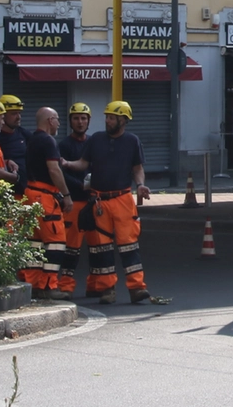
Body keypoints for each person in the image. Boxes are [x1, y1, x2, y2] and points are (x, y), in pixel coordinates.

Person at [60, 101, 151, 305]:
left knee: (129, 246)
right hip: (100, 201)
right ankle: (106, 289)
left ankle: (137, 288)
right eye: (107, 117)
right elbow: (84, 163)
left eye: (111, 117)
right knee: (101, 249)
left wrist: (141, 185)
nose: (107, 121)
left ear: (123, 120)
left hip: (123, 199)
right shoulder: (97, 139)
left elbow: (137, 168)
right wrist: (67, 164)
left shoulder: (132, 141)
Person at [18, 107, 73, 299]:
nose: (59, 124)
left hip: (30, 195)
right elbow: (54, 170)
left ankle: (32, 284)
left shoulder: (32, 140)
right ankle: (50, 286)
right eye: (57, 119)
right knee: (56, 242)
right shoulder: (48, 141)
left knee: (35, 242)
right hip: (44, 197)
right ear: (50, 120)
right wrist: (66, 194)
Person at [55, 102, 93, 296]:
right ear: (70, 121)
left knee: (98, 247)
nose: (80, 122)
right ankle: (66, 286)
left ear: (89, 121)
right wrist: (79, 185)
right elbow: (59, 172)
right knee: (71, 248)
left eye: (83, 118)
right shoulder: (64, 145)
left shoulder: (93, 143)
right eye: (76, 118)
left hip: (94, 202)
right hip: (74, 202)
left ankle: (97, 286)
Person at [0, 94, 29, 195]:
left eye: (19, 113)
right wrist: (6, 162)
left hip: (26, 192)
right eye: (14, 114)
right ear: (3, 115)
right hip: (5, 193)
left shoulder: (24, 134)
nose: (18, 117)